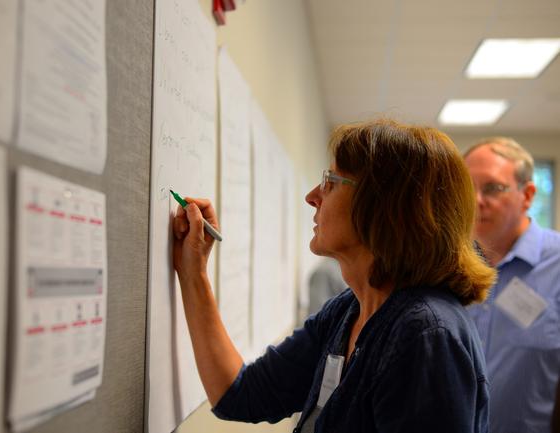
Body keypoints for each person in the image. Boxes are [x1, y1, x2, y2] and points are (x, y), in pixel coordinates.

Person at [172, 119, 496, 432]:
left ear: (382, 206)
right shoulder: (348, 311)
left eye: (331, 181)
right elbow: (240, 395)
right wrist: (193, 273)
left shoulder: (426, 335)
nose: (312, 196)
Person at [464, 137, 560, 433]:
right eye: (467, 188)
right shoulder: (448, 269)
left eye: (492, 188)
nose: (476, 200)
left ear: (527, 195)